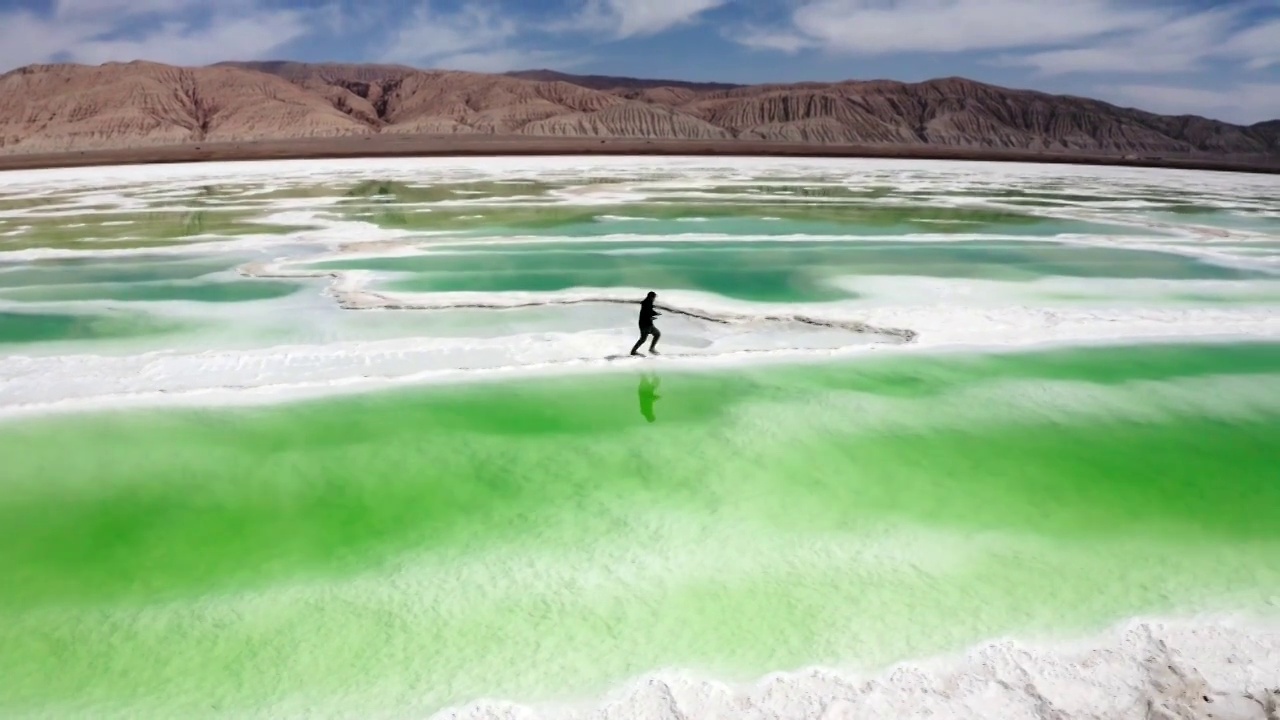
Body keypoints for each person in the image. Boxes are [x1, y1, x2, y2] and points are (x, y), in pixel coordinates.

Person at [630, 291, 661, 356]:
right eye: (654, 297)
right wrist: (653, 316)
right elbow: (647, 313)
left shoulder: (647, 302)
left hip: (643, 323)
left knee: (643, 339)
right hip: (646, 324)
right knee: (657, 334)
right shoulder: (647, 303)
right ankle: (651, 349)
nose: (654, 299)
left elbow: (648, 312)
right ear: (651, 297)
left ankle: (633, 351)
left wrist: (654, 314)